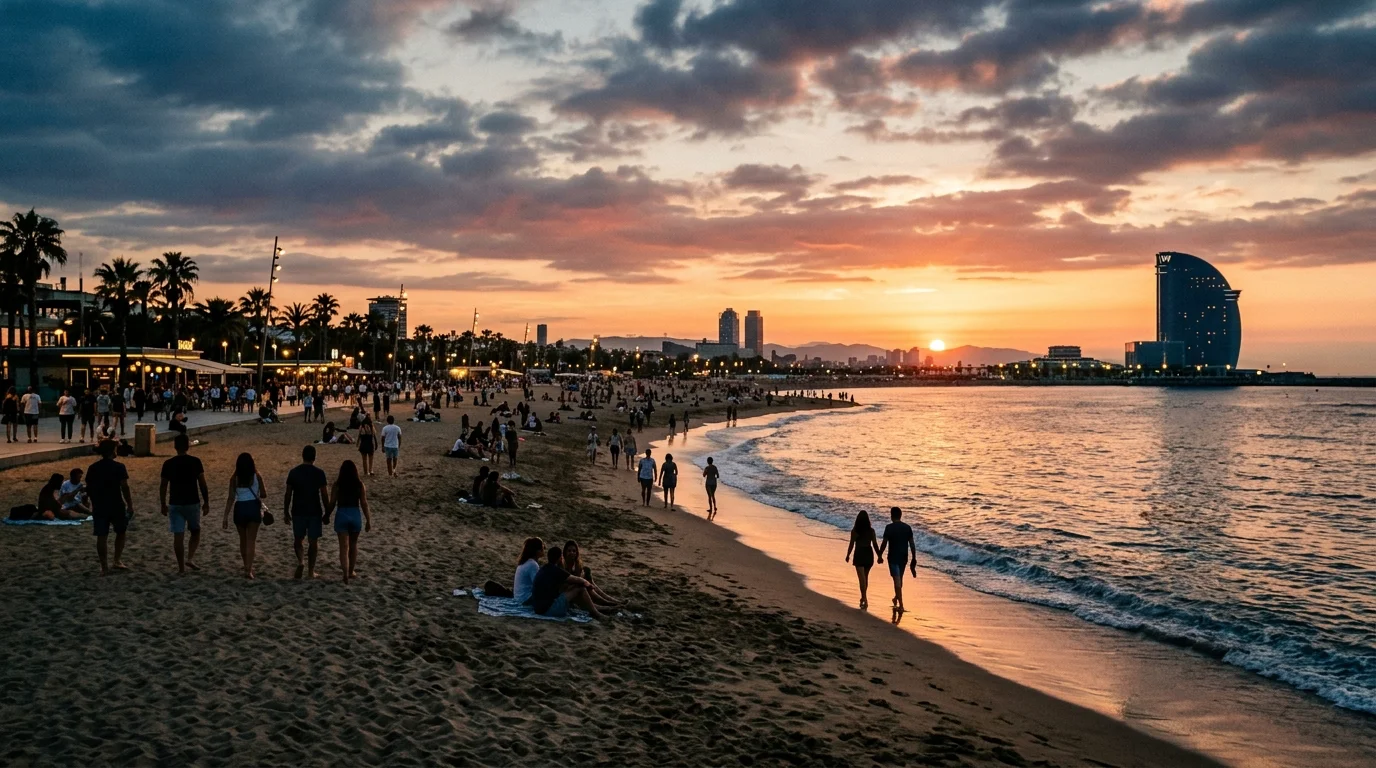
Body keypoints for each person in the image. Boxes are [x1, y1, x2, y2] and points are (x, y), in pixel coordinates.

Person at [160, 433, 210, 574]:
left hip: (175, 502)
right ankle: (190, 557)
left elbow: (163, 485)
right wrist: (206, 502)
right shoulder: (195, 462)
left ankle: (181, 567)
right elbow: (202, 484)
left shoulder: (168, 464)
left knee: (178, 535)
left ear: (175, 447)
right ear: (188, 446)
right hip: (192, 501)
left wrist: (162, 503)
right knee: (195, 531)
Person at [87, 440, 134, 576]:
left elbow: (89, 487)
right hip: (116, 503)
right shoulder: (119, 467)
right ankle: (117, 559)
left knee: (102, 535)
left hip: (99, 504)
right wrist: (130, 504)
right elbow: (124, 487)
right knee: (120, 531)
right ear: (112, 451)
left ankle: (104, 566)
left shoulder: (93, 467)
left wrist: (92, 501)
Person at [285, 445, 330, 579]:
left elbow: (288, 494)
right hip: (314, 511)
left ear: (302, 456)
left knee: (298, 540)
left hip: (298, 510)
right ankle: (311, 571)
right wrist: (327, 512)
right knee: (313, 542)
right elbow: (324, 494)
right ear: (314, 458)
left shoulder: (293, 472)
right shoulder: (319, 473)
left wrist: (286, 511)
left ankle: (300, 561)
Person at [222, 452, 267, 579]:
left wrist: (225, 516)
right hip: (253, 507)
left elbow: (230, 498)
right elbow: (263, 494)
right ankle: (249, 569)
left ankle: (245, 565)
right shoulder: (257, 476)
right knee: (251, 541)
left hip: (240, 508)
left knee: (243, 540)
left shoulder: (234, 478)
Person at [529, 546, 605, 620]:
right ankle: (596, 613)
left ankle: (594, 608)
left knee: (574, 587)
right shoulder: (555, 570)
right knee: (580, 588)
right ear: (560, 558)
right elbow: (577, 579)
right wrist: (588, 584)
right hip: (548, 611)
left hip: (539, 609)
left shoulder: (544, 568)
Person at [329, 459, 371, 584]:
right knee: (353, 545)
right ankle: (351, 571)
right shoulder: (359, 485)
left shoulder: (337, 485)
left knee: (343, 547)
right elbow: (364, 503)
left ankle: (345, 573)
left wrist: (326, 515)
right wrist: (368, 520)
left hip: (342, 513)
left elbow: (332, 503)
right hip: (355, 514)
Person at [877, 507, 918, 613]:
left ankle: (901, 605)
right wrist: (914, 557)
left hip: (893, 558)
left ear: (891, 516)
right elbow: (912, 544)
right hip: (904, 558)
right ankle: (896, 598)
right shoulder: (907, 528)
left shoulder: (889, 528)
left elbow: (884, 543)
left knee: (897, 580)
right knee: (899, 579)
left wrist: (880, 555)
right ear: (901, 515)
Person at [562, 540, 621, 608]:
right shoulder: (562, 565)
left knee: (588, 574)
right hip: (569, 592)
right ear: (565, 552)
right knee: (586, 586)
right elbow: (565, 585)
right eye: (569, 551)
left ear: (577, 553)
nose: (572, 553)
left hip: (578, 588)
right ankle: (608, 603)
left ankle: (614, 602)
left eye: (574, 551)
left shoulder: (577, 564)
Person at [845, 510, 882, 609]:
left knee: (862, 579)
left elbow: (851, 544)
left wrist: (848, 555)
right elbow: (875, 544)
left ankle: (864, 598)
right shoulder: (871, 531)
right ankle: (864, 598)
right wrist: (879, 556)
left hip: (859, 553)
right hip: (869, 554)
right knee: (865, 578)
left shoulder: (855, 531)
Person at [512, 537, 544, 605]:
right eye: (542, 548)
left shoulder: (523, 562)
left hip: (517, 599)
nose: (543, 550)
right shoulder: (532, 564)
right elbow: (538, 586)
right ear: (537, 551)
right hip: (525, 600)